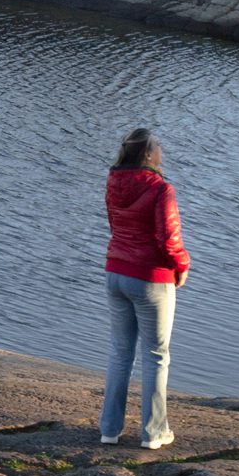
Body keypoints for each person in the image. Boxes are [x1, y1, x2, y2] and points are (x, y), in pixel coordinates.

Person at [101, 127, 192, 452]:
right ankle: (153, 433)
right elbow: (168, 238)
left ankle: (109, 430)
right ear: (148, 155)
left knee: (120, 352)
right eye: (158, 147)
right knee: (155, 355)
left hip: (115, 273)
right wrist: (181, 266)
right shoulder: (160, 189)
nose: (161, 151)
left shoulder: (112, 182)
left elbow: (115, 226)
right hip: (150, 278)